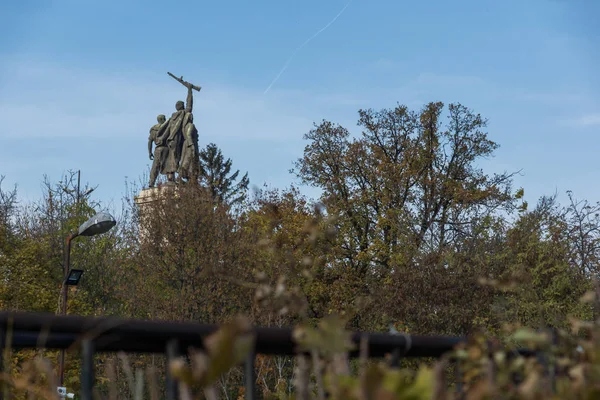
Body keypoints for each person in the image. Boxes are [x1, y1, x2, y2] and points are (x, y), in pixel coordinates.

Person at [148, 114, 168, 187]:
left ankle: (151, 182)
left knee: (156, 166)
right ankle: (171, 180)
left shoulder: (153, 129)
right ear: (162, 119)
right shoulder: (167, 127)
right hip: (166, 148)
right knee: (168, 164)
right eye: (164, 118)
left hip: (158, 149)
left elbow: (150, 141)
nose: (165, 120)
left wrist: (150, 152)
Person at [178, 113, 199, 182]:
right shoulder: (191, 125)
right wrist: (192, 145)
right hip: (190, 144)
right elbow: (188, 134)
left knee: (185, 160)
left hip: (185, 144)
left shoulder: (184, 127)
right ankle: (184, 175)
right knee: (189, 160)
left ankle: (185, 176)